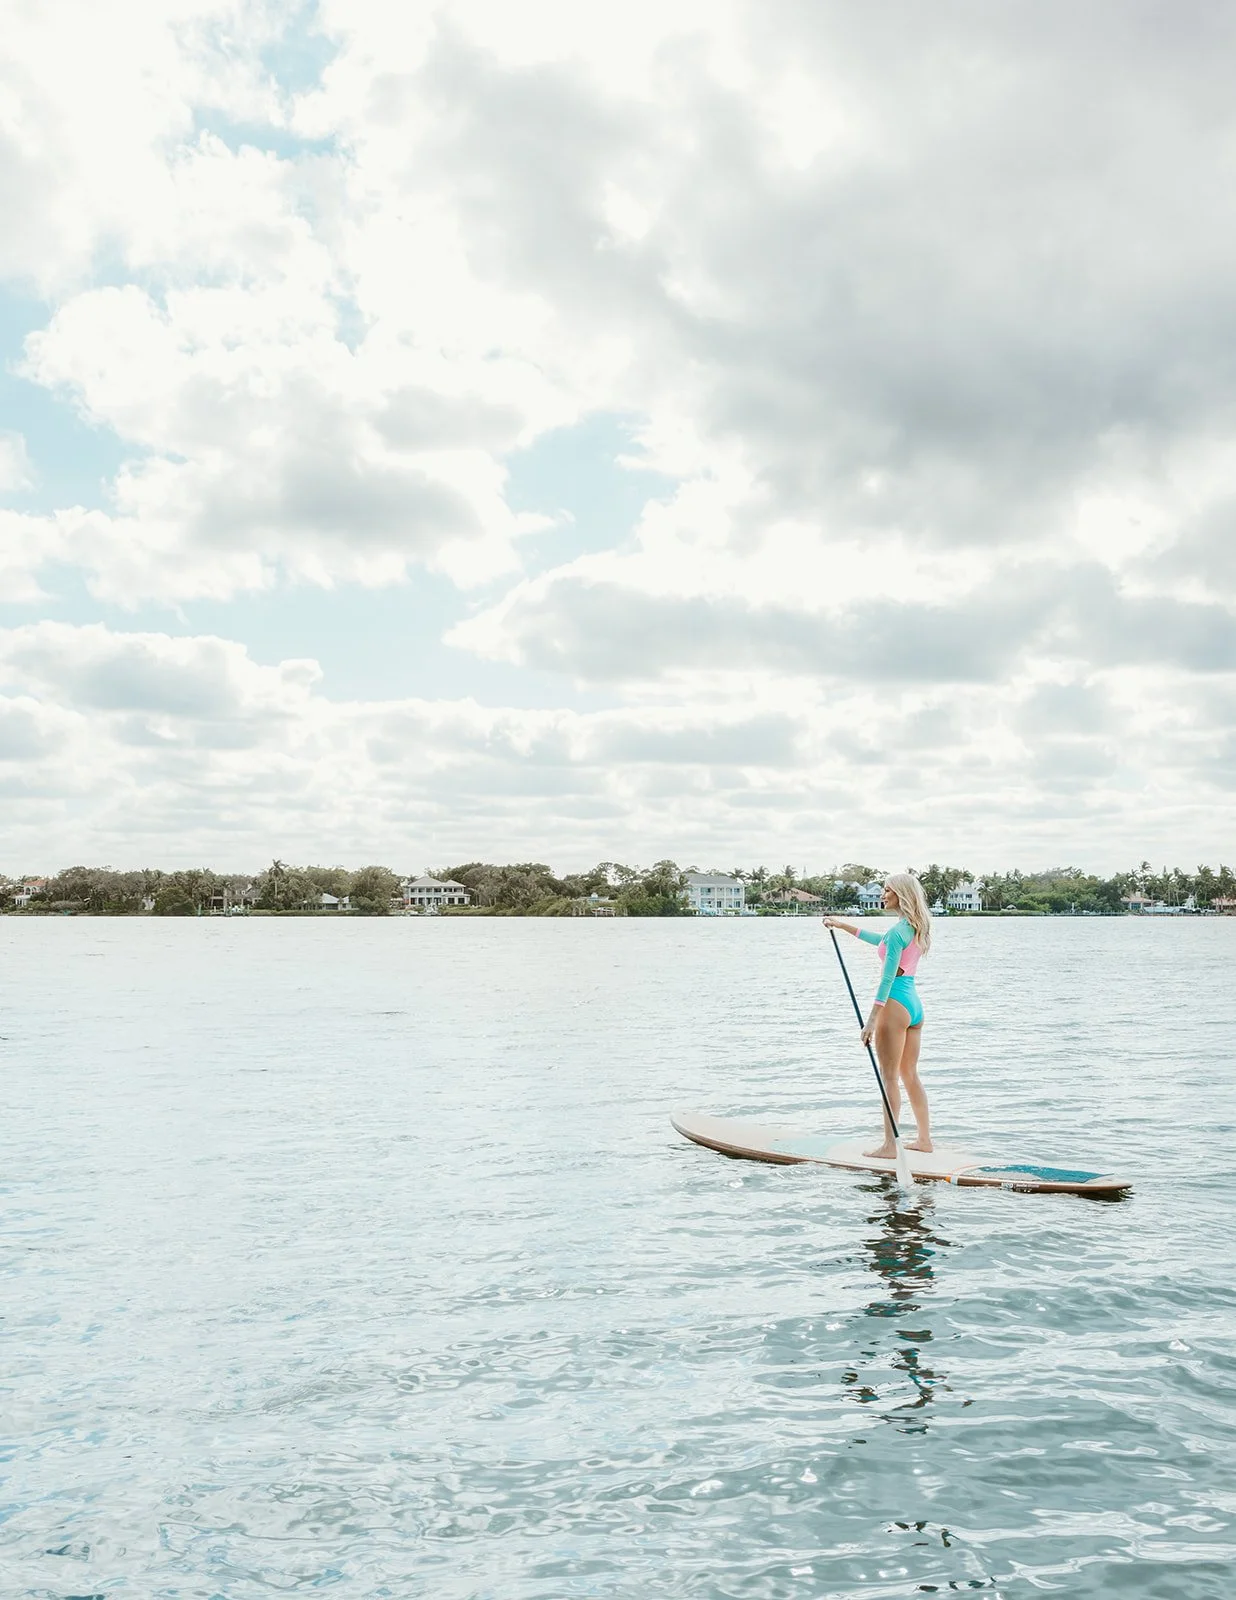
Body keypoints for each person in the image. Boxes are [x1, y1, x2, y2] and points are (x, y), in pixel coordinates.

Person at [824, 874, 933, 1158]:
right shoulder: (913, 927)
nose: (882, 895)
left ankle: (889, 1146)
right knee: (909, 1074)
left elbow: (887, 979)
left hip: (895, 1005)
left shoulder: (898, 932)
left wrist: (871, 1020)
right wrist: (841, 925)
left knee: (889, 1078)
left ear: (901, 895)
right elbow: (879, 940)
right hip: (914, 1005)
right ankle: (924, 1140)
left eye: (887, 891)